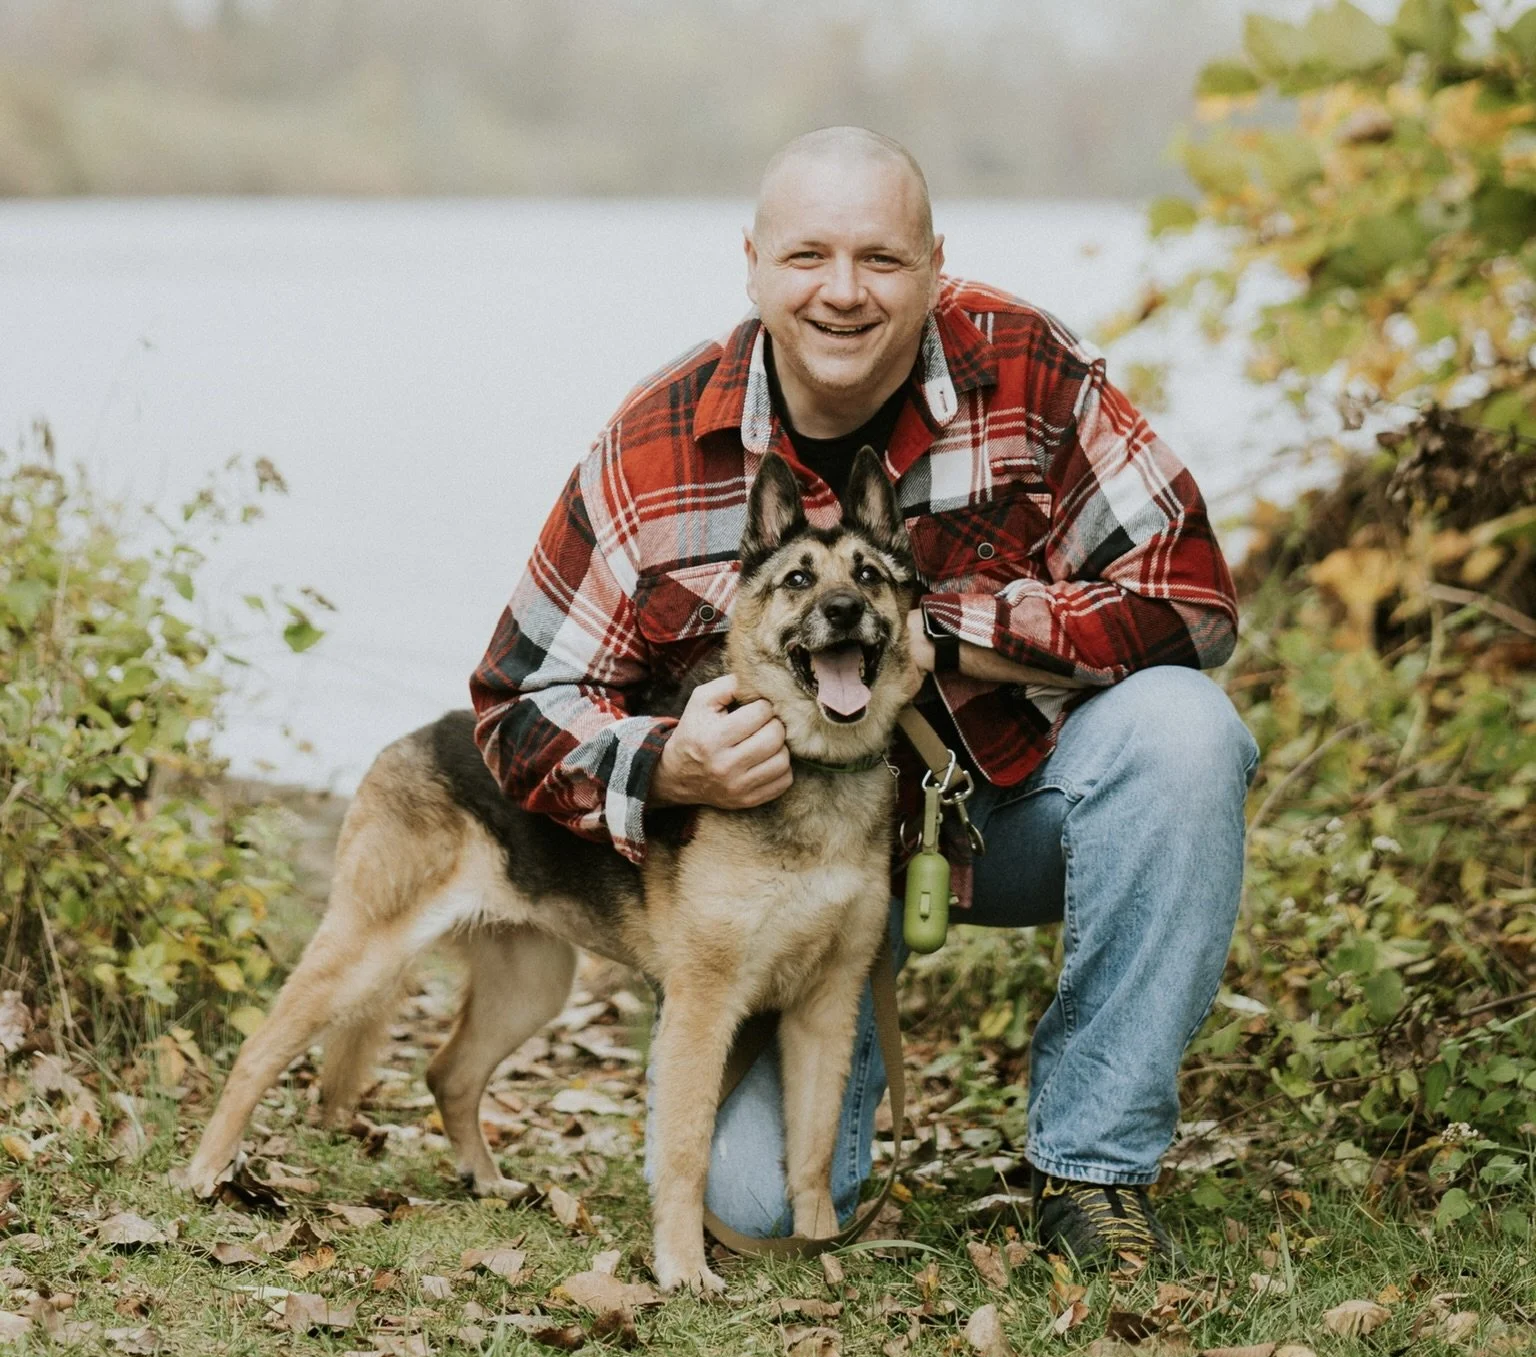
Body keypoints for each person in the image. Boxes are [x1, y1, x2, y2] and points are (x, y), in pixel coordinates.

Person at [470, 126, 1258, 1268]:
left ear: (936, 264)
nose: (843, 292)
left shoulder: (1028, 370)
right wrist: (661, 765)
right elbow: (517, 702)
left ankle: (1093, 1172)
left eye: (882, 260)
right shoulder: (652, 449)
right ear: (751, 263)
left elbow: (1193, 600)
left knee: (1185, 733)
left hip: (998, 821)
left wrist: (948, 632)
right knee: (761, 1210)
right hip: (775, 878)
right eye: (807, 258)